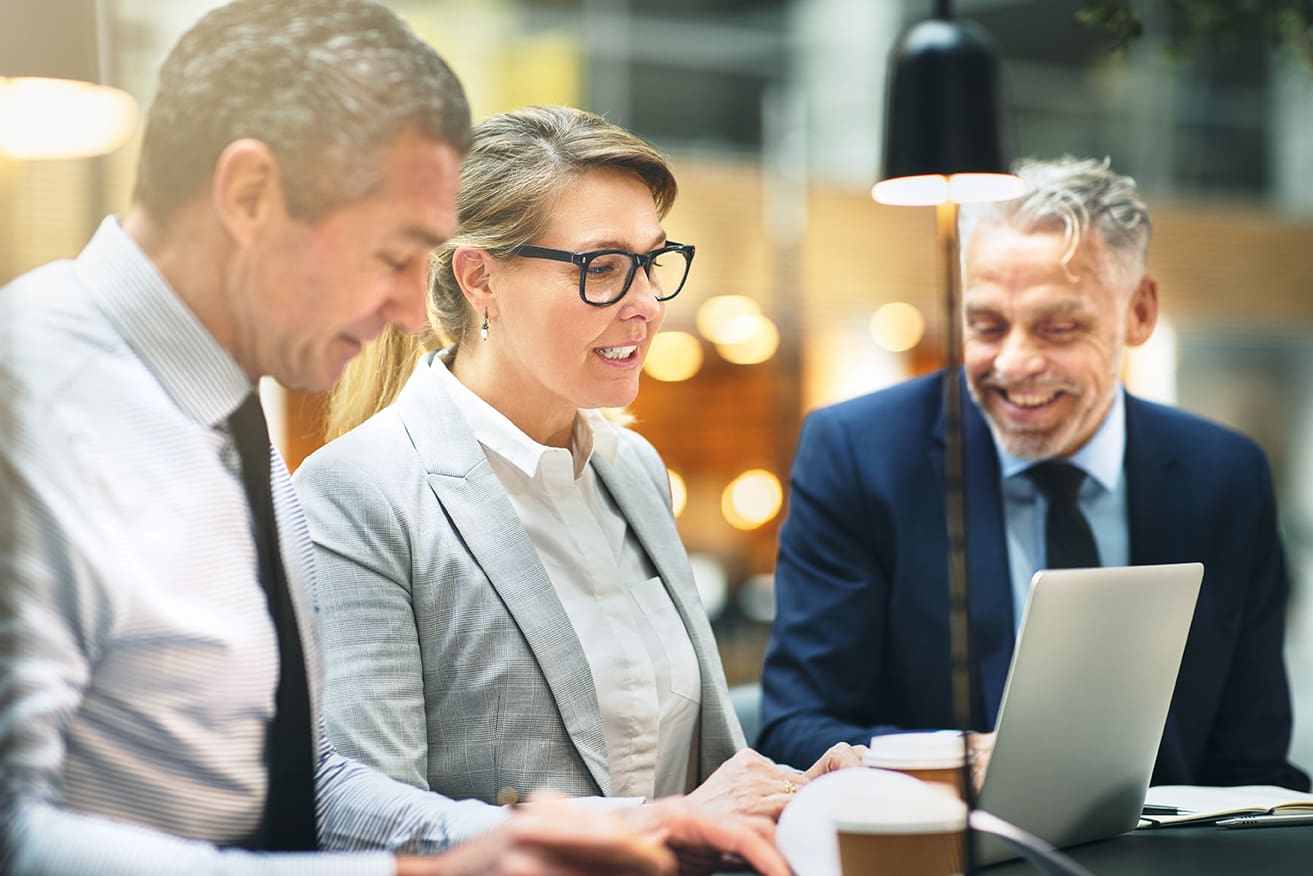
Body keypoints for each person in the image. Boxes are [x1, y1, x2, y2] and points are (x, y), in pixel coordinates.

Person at [0, 3, 788, 874]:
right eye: (390, 253)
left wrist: (534, 839)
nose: (415, 311)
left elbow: (310, 780)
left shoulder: (232, 426)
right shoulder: (26, 390)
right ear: (250, 195)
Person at [292, 105, 862, 825]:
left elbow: (687, 777)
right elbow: (356, 809)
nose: (648, 305)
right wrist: (645, 829)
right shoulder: (359, 490)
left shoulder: (633, 468)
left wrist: (795, 789)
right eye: (603, 267)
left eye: (651, 263)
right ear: (479, 279)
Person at [757, 156, 1311, 792]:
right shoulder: (858, 455)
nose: (1016, 363)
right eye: (986, 325)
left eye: (1059, 327)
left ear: (1140, 312)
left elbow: (1252, 759)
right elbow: (796, 726)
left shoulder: (1226, 477)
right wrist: (956, 764)